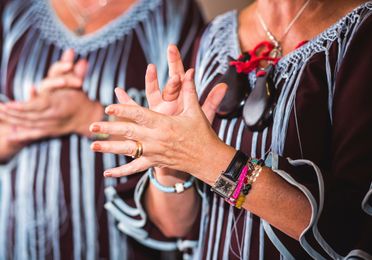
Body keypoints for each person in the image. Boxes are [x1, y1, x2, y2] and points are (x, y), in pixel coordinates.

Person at [90, 0, 372, 259]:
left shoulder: (361, 34)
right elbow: (175, 225)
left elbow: (353, 232)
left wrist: (211, 162)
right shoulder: (214, 35)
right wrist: (168, 158)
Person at [0, 0, 203, 259]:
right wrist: (31, 119)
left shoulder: (171, 13)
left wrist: (87, 119)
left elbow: (187, 137)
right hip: (20, 239)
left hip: (126, 240)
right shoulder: (14, 10)